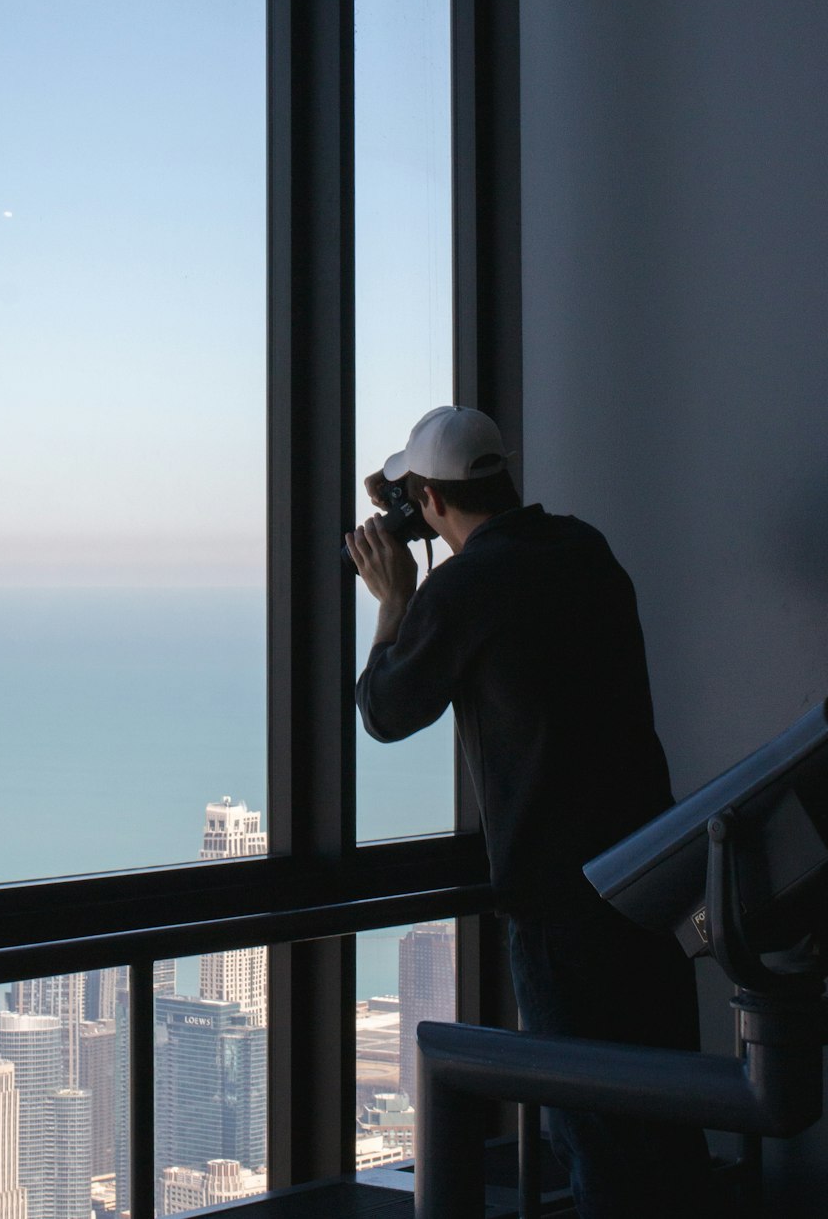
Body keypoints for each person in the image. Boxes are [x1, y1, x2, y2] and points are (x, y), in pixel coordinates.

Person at [346, 405, 710, 1219]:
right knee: (667, 1127)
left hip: (559, 904)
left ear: (432, 505)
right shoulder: (582, 549)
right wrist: (412, 494)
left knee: (595, 1139)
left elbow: (386, 710)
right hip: (651, 879)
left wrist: (394, 600)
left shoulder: (468, 586)